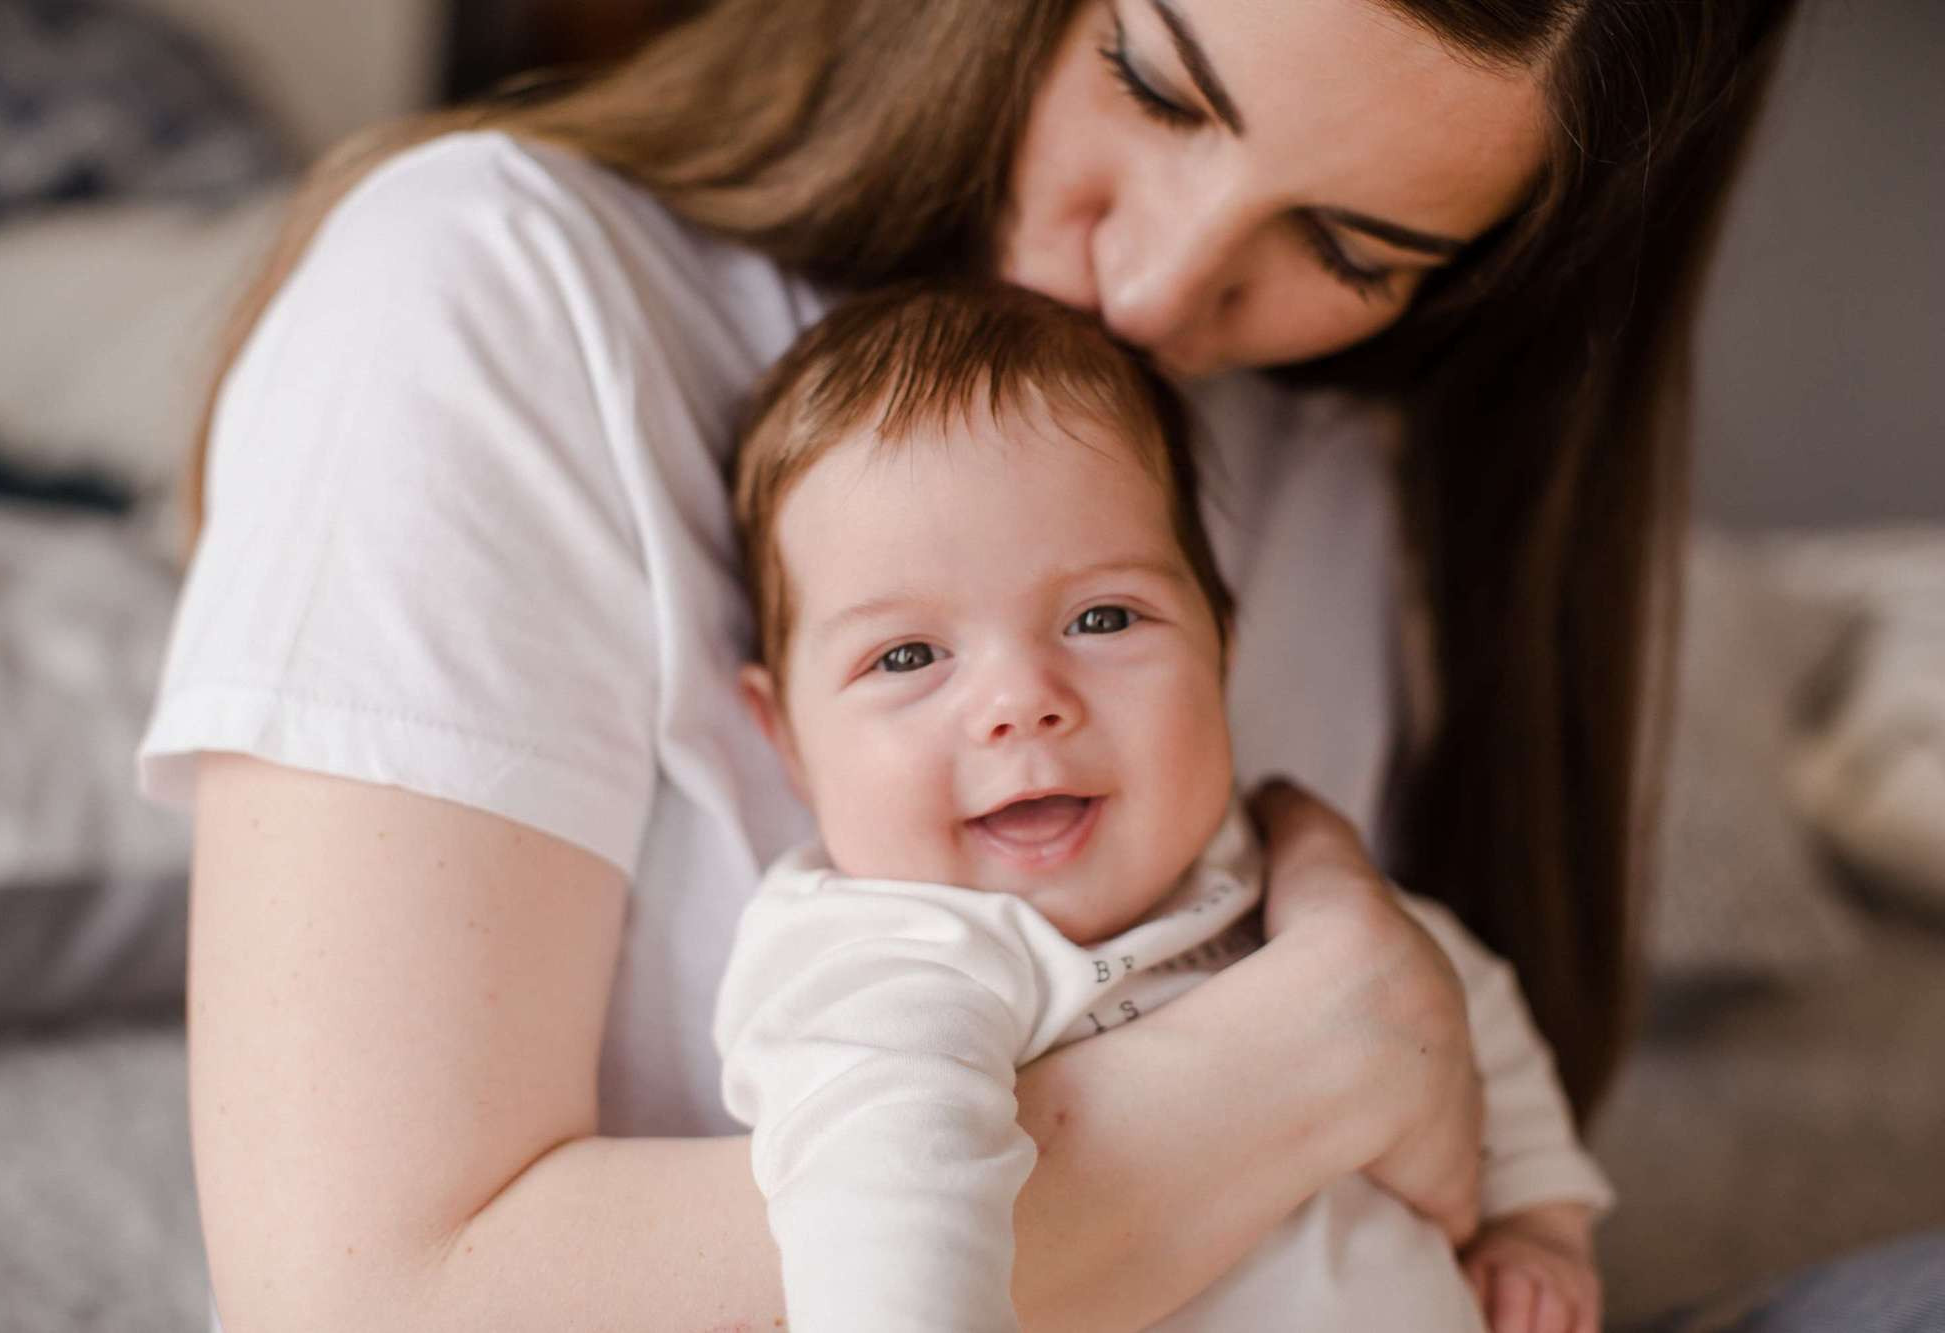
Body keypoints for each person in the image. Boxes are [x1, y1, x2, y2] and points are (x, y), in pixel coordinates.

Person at [138, 0, 1945, 1329]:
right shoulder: (491, 291)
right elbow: (357, 1300)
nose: (1157, 297)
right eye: (1156, 82)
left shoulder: (1337, 453)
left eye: (1349, 246)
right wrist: (1329, 1050)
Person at [713, 279, 1614, 1333]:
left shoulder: (1267, 876)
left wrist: (1538, 1222)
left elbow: (1463, 1005)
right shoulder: (889, 959)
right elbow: (888, 1208)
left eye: (1102, 616)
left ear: (1218, 646)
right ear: (785, 736)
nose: (1020, 702)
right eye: (906, 655)